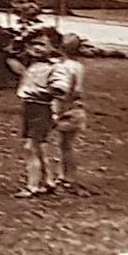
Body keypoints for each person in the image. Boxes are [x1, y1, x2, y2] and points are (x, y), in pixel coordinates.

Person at [13, 26, 63, 196]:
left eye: (42, 44)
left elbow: (59, 92)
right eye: (34, 44)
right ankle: (48, 180)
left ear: (54, 47)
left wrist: (55, 113)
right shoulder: (33, 63)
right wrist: (23, 38)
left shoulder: (55, 67)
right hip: (29, 107)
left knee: (30, 148)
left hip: (43, 108)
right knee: (39, 147)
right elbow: (11, 53)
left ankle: (32, 186)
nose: (36, 47)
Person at [52, 32, 89, 192]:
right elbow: (79, 88)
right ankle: (63, 175)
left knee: (66, 144)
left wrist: (64, 101)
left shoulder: (63, 67)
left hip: (68, 109)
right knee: (65, 143)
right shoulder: (78, 66)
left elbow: (73, 90)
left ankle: (69, 177)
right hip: (75, 108)